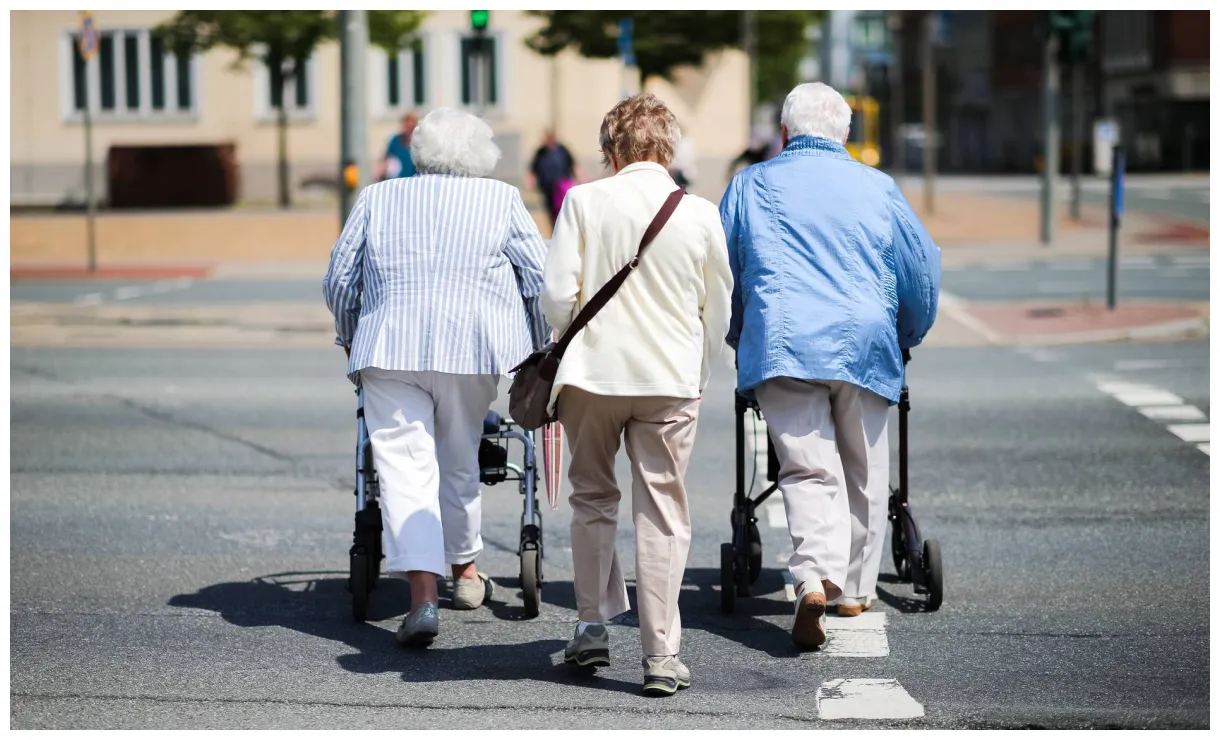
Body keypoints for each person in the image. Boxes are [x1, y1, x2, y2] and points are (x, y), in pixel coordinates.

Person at [719, 82, 941, 649]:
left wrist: (741, 335)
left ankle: (813, 577)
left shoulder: (749, 185)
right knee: (864, 466)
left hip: (783, 339)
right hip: (864, 339)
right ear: (845, 133)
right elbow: (920, 273)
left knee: (805, 469)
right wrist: (907, 333)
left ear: (785, 133)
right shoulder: (878, 186)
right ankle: (854, 590)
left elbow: (725, 274)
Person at [323, 107, 550, 648]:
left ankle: (422, 597)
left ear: (418, 151)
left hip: (390, 346)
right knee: (459, 455)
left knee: (405, 469)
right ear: (481, 155)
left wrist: (352, 335)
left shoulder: (377, 198)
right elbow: (540, 279)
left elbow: (339, 280)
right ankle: (465, 574)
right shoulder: (501, 200)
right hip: (474, 347)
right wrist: (536, 346)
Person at [542, 93, 733, 696]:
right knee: (662, 511)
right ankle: (660, 655)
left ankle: (591, 625)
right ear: (668, 147)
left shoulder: (582, 201)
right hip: (669, 379)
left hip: (592, 375)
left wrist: (571, 337)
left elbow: (556, 297)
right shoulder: (698, 213)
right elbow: (718, 308)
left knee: (592, 499)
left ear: (611, 148)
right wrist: (698, 370)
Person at [528, 130, 579, 227]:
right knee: (551, 212)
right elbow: (533, 169)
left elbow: (573, 164)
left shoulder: (562, 150)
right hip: (547, 188)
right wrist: (531, 183)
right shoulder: (541, 152)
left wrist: (579, 179)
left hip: (562, 187)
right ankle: (555, 229)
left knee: (563, 209)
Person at [376, 112, 420, 180]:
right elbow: (386, 159)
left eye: (411, 128)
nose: (409, 131)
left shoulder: (419, 143)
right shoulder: (395, 141)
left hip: (413, 180)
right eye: (407, 127)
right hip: (396, 181)